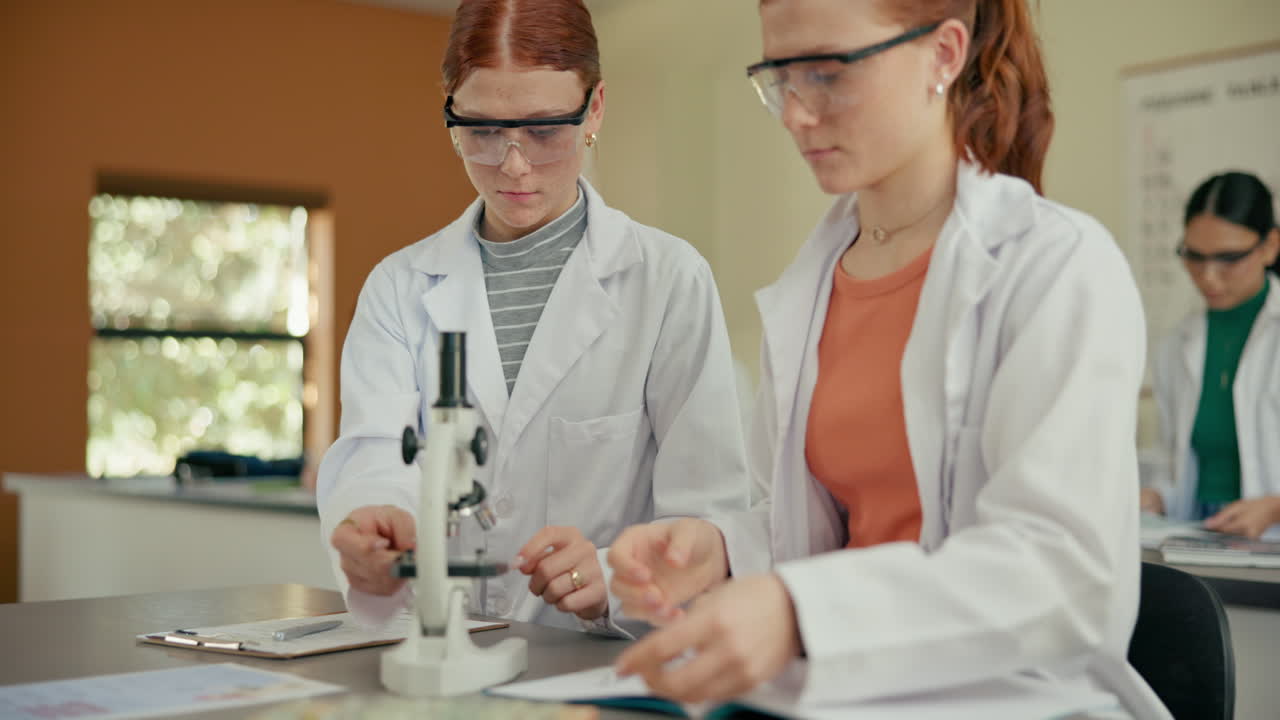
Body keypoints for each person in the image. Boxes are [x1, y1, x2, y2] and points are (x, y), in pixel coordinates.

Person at [606, 0, 1169, 716]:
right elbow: (823, 528)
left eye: (828, 72)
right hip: (850, 696)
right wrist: (720, 549)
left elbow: (1063, 575)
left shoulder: (1054, 266)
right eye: (781, 75)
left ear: (943, 54)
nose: (796, 114)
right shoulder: (814, 281)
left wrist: (800, 611)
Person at [316, 0, 747, 636]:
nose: (514, 165)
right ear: (450, 113)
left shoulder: (667, 281)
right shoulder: (399, 289)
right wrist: (372, 531)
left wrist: (614, 577)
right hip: (436, 651)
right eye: (484, 130)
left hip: (600, 665)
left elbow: (708, 511)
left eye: (545, 130)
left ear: (595, 108)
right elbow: (376, 457)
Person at [1144, 172, 1280, 539]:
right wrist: (1155, 497)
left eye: (1229, 259)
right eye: (1195, 257)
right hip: (1199, 530)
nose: (1208, 277)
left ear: (1269, 246)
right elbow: (1174, 457)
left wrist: (1274, 506)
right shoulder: (1176, 344)